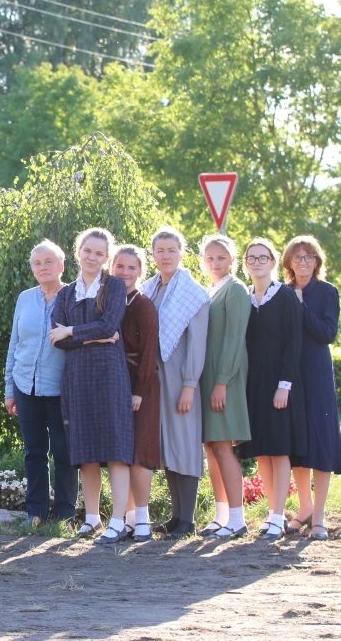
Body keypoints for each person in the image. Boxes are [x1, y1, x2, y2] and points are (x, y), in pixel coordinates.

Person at [49, 228, 134, 544]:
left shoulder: (114, 286)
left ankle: (118, 521)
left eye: (100, 253)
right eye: (88, 250)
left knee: (115, 449)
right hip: (77, 376)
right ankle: (93, 517)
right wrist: (95, 336)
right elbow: (57, 340)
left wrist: (73, 331)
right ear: (78, 251)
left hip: (109, 374)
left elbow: (109, 325)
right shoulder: (65, 294)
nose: (93, 257)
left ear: (106, 257)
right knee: (85, 449)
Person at [140, 227, 210, 540]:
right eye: (160, 250)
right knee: (167, 444)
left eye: (171, 250)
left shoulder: (193, 293)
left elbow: (197, 343)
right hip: (155, 376)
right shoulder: (148, 289)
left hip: (181, 375)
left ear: (181, 253)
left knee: (185, 442)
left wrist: (189, 384)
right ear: (153, 255)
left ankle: (189, 519)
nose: (165, 255)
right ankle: (176, 515)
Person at [2, 240, 76, 528]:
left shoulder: (73, 297)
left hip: (61, 388)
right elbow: (14, 344)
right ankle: (36, 513)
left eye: (49, 262)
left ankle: (66, 515)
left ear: (61, 266)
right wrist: (10, 389)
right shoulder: (25, 298)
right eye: (37, 263)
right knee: (34, 451)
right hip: (25, 385)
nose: (43, 267)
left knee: (64, 452)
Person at [241, 237, 306, 541]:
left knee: (279, 451)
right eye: (251, 258)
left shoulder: (287, 297)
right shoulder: (244, 297)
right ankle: (270, 515)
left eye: (262, 257)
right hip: (253, 385)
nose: (256, 262)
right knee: (262, 453)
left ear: (273, 261)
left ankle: (279, 518)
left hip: (278, 385)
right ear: (245, 263)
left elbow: (294, 344)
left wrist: (285, 385)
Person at [282, 235, 338, 541]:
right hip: (290, 373)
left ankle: (319, 515)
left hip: (316, 373)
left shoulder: (328, 292)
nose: (303, 262)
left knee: (320, 441)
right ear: (289, 262)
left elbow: (327, 333)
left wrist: (302, 308)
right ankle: (303, 508)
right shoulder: (283, 292)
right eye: (297, 257)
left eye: (309, 257)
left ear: (317, 262)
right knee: (297, 442)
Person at [197, 235, 251, 540]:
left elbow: (234, 340)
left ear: (232, 260)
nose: (215, 263)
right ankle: (221, 516)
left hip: (224, 378)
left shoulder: (235, 290)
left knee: (223, 446)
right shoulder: (210, 290)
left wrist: (222, 382)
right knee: (212, 446)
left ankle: (238, 519)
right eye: (209, 258)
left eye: (221, 257)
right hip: (207, 378)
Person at [112, 245, 161, 542]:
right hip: (117, 382)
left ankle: (142, 518)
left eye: (132, 268)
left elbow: (150, 352)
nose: (126, 273)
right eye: (120, 267)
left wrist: (140, 391)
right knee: (124, 453)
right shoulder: (112, 301)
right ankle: (128, 518)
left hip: (141, 385)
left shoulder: (142, 304)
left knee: (141, 452)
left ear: (141, 272)